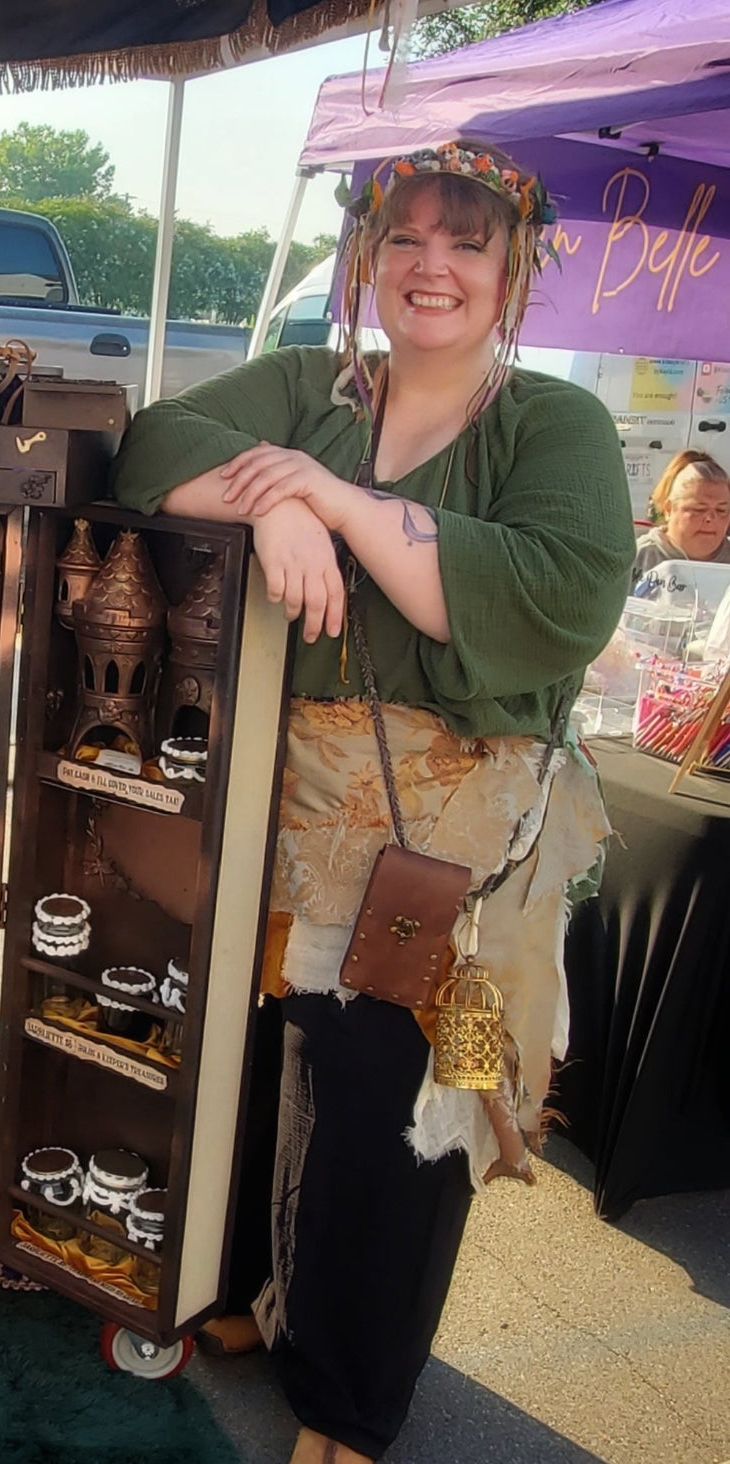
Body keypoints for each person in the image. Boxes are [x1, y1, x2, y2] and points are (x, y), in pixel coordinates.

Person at [112, 140, 633, 1463]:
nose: (432, 266)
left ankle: (348, 1403)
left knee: (394, 1107)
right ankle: (245, 1292)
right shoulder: (309, 383)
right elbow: (153, 443)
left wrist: (326, 498)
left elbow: (560, 591)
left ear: (511, 272)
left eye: (467, 242)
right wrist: (275, 507)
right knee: (255, 1056)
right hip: (288, 810)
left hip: (451, 832)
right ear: (364, 260)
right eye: (405, 239)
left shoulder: (548, 423)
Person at [632, 450, 730, 582]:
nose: (710, 518)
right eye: (699, 509)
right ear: (668, 509)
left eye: (721, 510)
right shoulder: (637, 559)